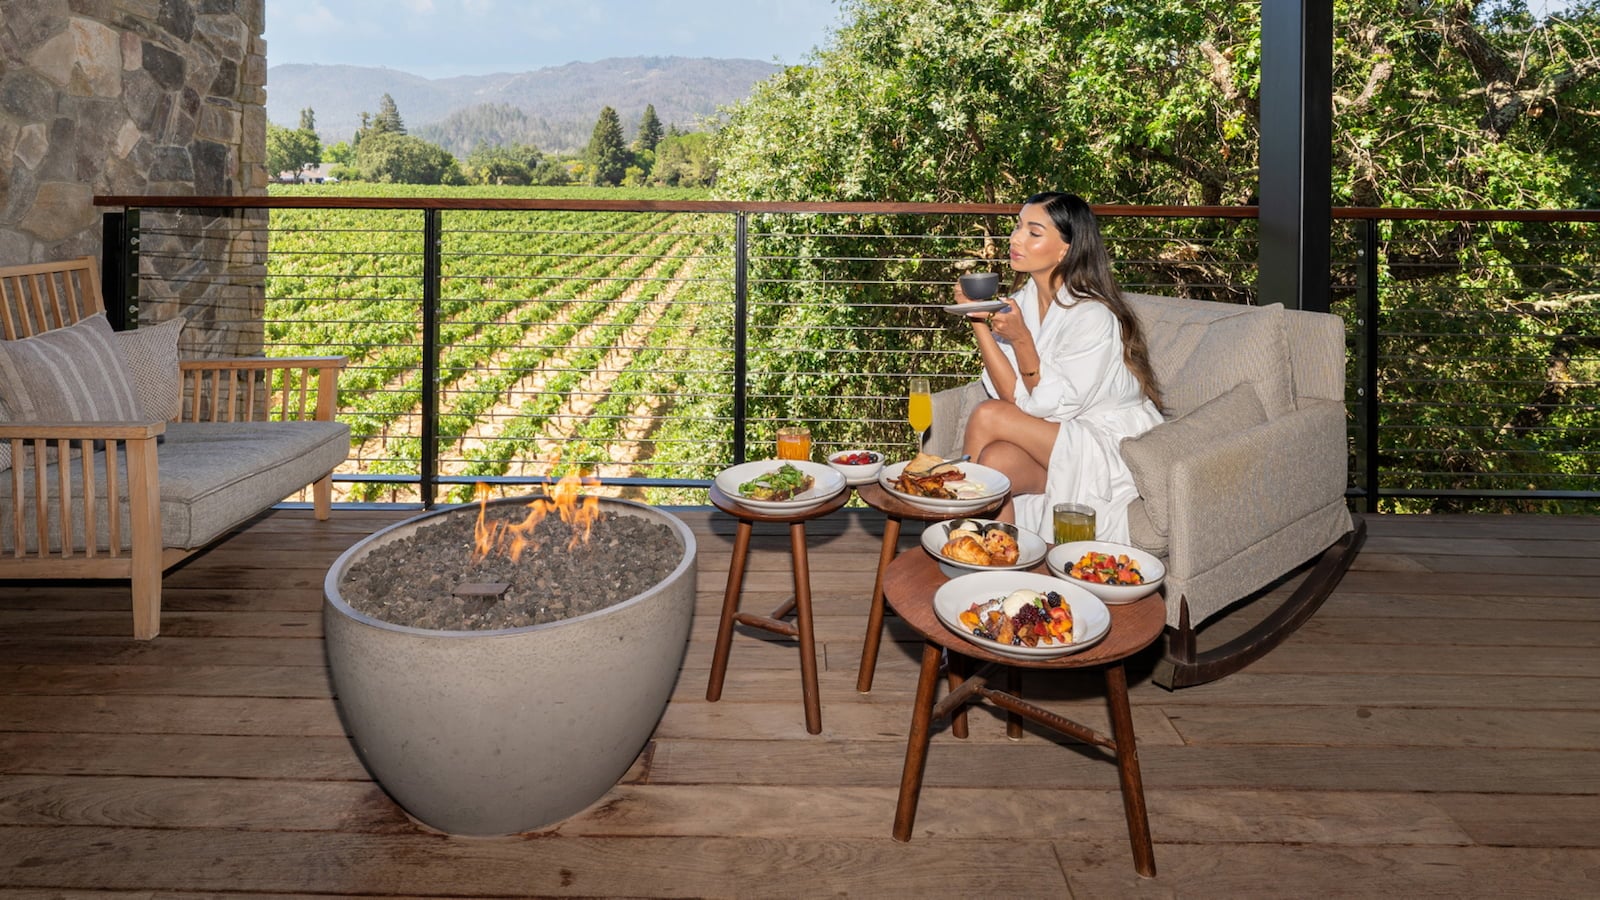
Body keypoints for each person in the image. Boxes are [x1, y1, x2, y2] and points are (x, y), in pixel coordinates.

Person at [952, 192, 1163, 542]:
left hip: (1105, 444)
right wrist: (977, 320)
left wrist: (1022, 340)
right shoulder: (1020, 304)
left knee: (987, 415)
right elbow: (1011, 396)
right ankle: (999, 562)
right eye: (1018, 226)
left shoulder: (1092, 314)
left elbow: (1054, 408)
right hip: (1055, 437)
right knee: (994, 462)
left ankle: (962, 536)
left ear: (1065, 249)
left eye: (1033, 232)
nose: (1016, 238)